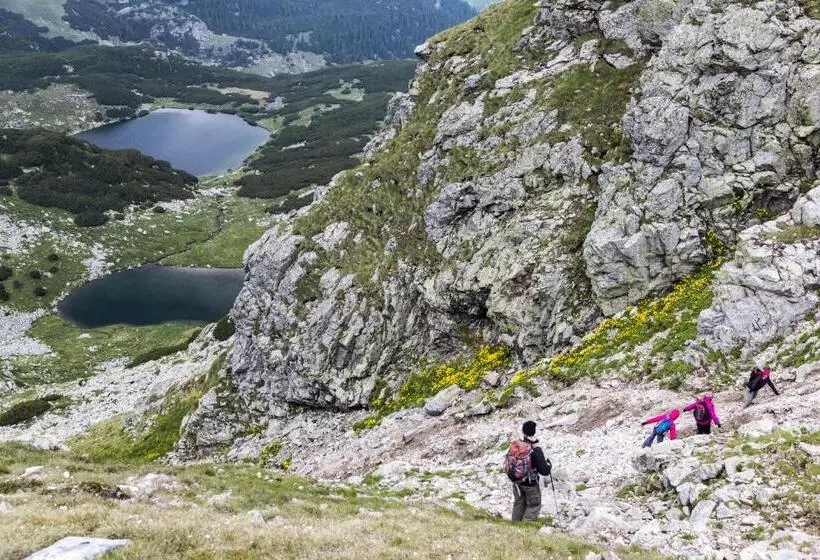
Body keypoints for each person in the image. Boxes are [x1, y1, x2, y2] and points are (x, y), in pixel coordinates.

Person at [504, 420, 552, 521]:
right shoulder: (535, 449)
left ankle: (514, 527)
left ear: (523, 431)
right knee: (533, 505)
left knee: (518, 504)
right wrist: (549, 465)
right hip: (530, 484)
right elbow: (544, 471)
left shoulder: (516, 445)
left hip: (516, 482)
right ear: (534, 432)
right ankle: (526, 528)